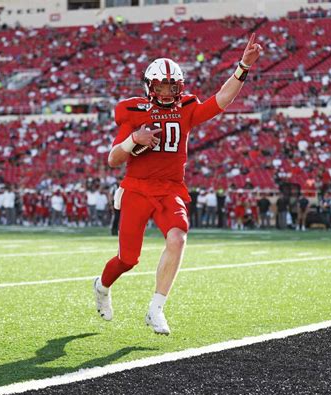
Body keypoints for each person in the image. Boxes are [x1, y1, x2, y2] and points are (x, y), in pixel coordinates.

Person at [93, 34, 263, 335]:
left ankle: (156, 308)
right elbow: (112, 159)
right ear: (150, 86)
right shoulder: (133, 113)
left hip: (171, 188)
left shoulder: (185, 108)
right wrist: (134, 139)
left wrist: (243, 67)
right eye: (161, 86)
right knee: (128, 259)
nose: (168, 91)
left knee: (178, 238)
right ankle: (102, 286)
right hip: (137, 188)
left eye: (172, 86)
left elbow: (220, 100)